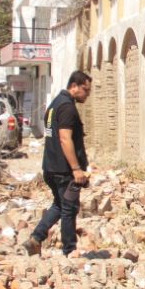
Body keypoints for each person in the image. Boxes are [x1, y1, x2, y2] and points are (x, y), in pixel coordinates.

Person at [24, 71, 92, 256]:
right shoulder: (67, 108)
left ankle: (36, 238)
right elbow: (64, 138)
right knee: (69, 208)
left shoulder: (54, 104)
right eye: (86, 90)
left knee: (59, 205)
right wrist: (76, 169)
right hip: (64, 170)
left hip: (50, 167)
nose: (88, 94)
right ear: (74, 86)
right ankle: (69, 250)